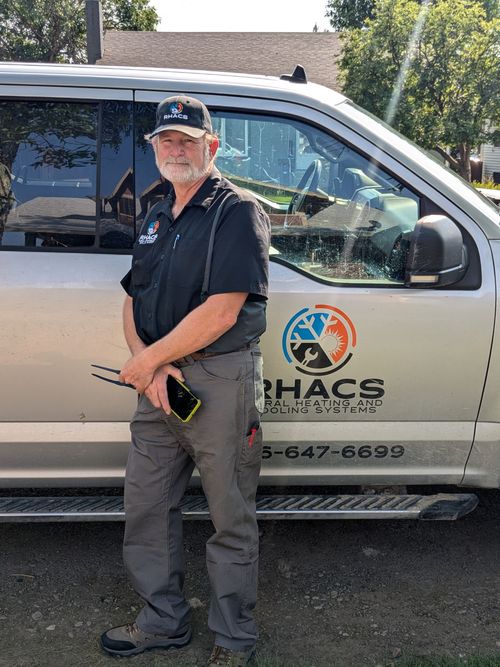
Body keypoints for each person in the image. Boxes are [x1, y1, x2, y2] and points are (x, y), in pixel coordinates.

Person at [100, 95, 270, 667]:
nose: (176, 150)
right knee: (147, 506)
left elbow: (224, 309)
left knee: (229, 514)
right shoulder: (155, 213)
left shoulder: (236, 211)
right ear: (153, 151)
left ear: (211, 146)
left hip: (218, 380)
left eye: (188, 141)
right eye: (165, 142)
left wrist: (151, 363)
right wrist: (145, 359)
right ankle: (162, 621)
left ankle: (234, 639)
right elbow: (132, 296)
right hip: (160, 384)